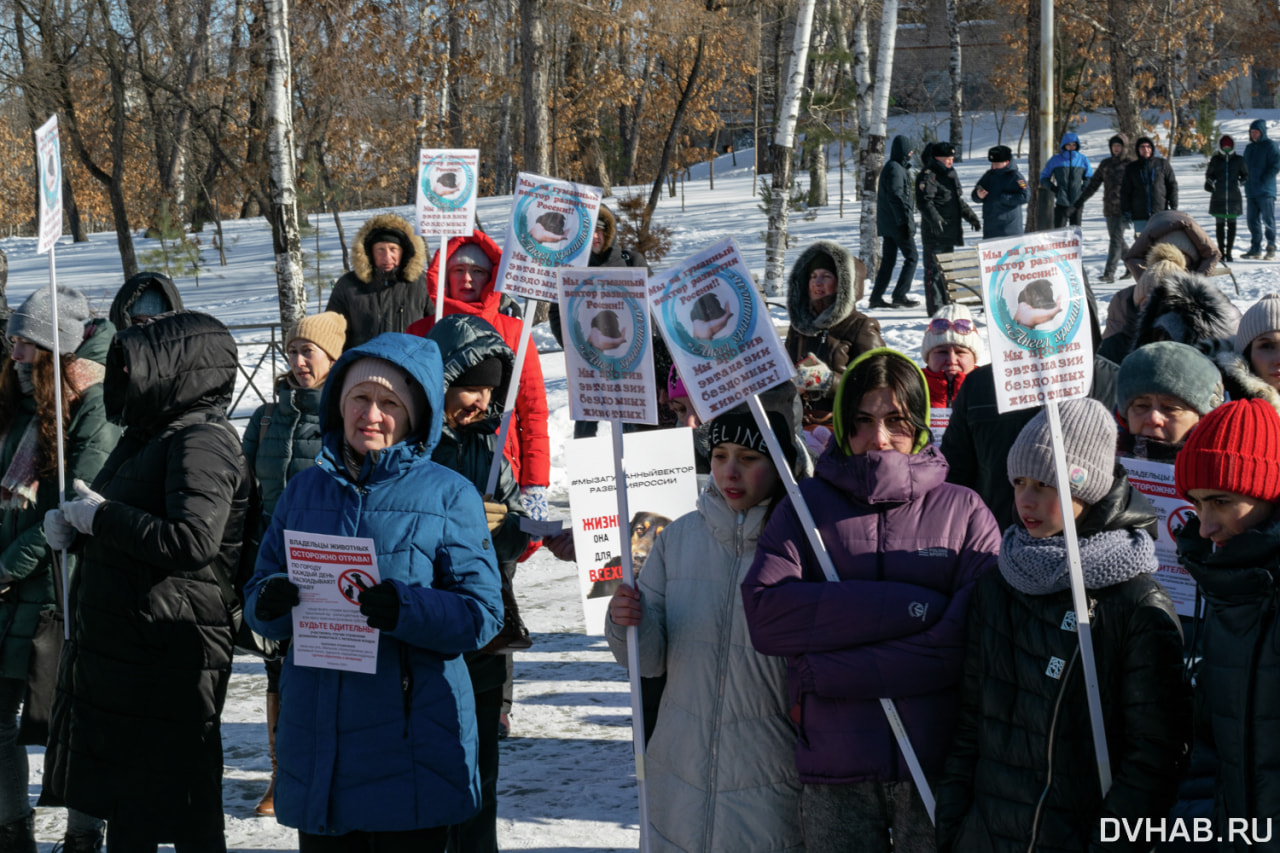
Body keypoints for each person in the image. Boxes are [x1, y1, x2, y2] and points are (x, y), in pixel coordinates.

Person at [244, 332, 503, 850]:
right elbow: (258, 590)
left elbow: (482, 614)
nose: (372, 414)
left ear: (414, 415)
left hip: (408, 742)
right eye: (360, 398)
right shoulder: (305, 489)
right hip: (318, 740)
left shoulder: (448, 494)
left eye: (389, 403)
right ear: (340, 402)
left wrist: (406, 608)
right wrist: (269, 602)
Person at [742, 347, 1000, 853]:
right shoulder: (804, 508)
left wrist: (826, 669)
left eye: (895, 420)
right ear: (841, 423)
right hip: (835, 767)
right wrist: (915, 606)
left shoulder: (963, 510)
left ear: (921, 423)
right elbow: (768, 616)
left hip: (935, 758)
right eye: (861, 420)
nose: (877, 439)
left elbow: (969, 638)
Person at [935, 398, 1190, 852]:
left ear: (1086, 488)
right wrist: (955, 824)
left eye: (1046, 484)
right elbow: (970, 717)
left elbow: (1154, 755)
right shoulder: (999, 581)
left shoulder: (1134, 600)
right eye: (1019, 482)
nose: (1026, 500)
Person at [41, 311, 250, 852]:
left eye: (137, 365)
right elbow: (128, 519)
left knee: (184, 808)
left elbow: (191, 541)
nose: (126, 376)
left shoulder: (202, 440)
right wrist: (76, 529)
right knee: (132, 804)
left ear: (178, 369)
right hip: (133, 648)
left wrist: (102, 520)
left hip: (174, 647)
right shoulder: (153, 433)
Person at [604, 407, 805, 853]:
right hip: (678, 767)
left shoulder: (804, 547)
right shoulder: (677, 539)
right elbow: (648, 660)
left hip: (768, 773)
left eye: (749, 458)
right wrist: (626, 621)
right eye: (719, 455)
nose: (729, 471)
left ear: (780, 463)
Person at [0, 287, 116, 852]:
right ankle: (12, 827)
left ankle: (82, 835)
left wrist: (5, 565)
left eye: (24, 341)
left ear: (53, 348)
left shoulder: (89, 407)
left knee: (75, 724)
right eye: (12, 338)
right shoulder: (13, 404)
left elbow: (70, 503)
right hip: (9, 591)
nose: (13, 350)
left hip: (60, 589)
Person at [425, 314, 531, 853]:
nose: (481, 401)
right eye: (470, 387)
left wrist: (507, 529)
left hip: (483, 641)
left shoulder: (490, 453)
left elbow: (513, 548)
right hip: (423, 640)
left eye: (490, 390)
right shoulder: (410, 450)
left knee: (478, 778)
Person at [240, 310, 347, 817]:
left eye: (310, 352)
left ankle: (336, 769)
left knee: (329, 674)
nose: (300, 362)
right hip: (272, 564)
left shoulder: (347, 417)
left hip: (328, 566)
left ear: (333, 357)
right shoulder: (266, 417)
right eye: (294, 351)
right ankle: (282, 774)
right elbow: (244, 493)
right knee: (277, 673)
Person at [1173, 398, 1280, 851]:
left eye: (1221, 501)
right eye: (1197, 504)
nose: (1205, 526)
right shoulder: (1225, 587)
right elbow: (1210, 746)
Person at [406, 232, 551, 524]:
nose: (467, 279)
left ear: (492, 277)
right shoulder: (420, 332)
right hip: (433, 473)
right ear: (444, 276)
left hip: (499, 472)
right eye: (458, 270)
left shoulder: (514, 333)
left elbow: (533, 412)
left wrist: (535, 483)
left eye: (478, 271)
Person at [784, 240, 884, 431]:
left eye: (826, 276)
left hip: (842, 425)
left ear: (845, 285)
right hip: (797, 422)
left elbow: (879, 383)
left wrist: (829, 381)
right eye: (813, 276)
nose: (817, 283)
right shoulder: (800, 326)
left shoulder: (861, 326)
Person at [326, 214, 429, 350]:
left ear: (404, 252)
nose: (387, 257)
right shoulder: (348, 285)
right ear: (369, 253)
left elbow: (437, 328)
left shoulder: (422, 284)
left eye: (393, 249)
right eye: (380, 250)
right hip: (363, 366)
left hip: (412, 365)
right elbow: (331, 331)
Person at [1115, 341, 1223, 461]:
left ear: (1202, 418)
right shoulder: (1105, 464)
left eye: (1170, 408)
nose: (1153, 419)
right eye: (1142, 406)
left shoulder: (1217, 469)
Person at [917, 142, 982, 314]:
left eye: (952, 158)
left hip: (950, 231)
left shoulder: (950, 174)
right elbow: (924, 202)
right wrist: (935, 219)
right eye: (947, 158)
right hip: (935, 232)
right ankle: (935, 309)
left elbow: (956, 201)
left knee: (946, 271)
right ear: (937, 157)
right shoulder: (928, 175)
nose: (950, 161)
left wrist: (971, 217)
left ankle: (946, 305)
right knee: (934, 273)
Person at [1074, 134, 1135, 282]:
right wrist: (1081, 200)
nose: (1116, 149)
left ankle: (1109, 274)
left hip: (1125, 208)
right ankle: (1131, 266)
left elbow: (1138, 187)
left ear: (1124, 147)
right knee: (1118, 240)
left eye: (1119, 146)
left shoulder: (1131, 164)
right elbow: (1094, 183)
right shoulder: (1106, 164)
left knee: (1115, 240)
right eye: (1114, 146)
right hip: (1109, 208)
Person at [869, 134, 920, 309]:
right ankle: (899, 294)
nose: (911, 153)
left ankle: (876, 297)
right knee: (912, 257)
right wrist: (904, 223)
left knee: (889, 262)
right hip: (897, 224)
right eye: (909, 150)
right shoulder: (895, 169)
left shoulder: (895, 167)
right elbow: (896, 197)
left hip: (890, 224)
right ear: (903, 151)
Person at [921, 303, 983, 409]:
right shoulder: (908, 390)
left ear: (974, 358)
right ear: (928, 358)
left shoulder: (992, 391)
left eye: (960, 352)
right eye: (942, 352)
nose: (951, 360)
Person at [1120, 137, 1178, 233]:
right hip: (1139, 216)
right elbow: (1125, 191)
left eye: (1148, 146)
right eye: (1142, 147)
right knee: (1142, 246)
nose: (1145, 149)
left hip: (1160, 214)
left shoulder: (1162, 164)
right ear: (1138, 149)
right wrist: (1125, 211)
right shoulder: (1131, 168)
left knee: (1161, 245)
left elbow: (1172, 186)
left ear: (1152, 149)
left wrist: (1173, 206)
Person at [1205, 134, 1248, 262]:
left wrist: (1239, 183)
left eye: (1229, 145)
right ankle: (1221, 252)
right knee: (1219, 226)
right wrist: (1212, 182)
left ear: (1233, 145)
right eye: (1224, 145)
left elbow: (1246, 175)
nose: (1227, 147)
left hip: (1234, 198)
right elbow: (1209, 175)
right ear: (1221, 146)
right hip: (1219, 197)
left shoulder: (1239, 160)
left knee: (1232, 226)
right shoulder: (1216, 159)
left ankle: (1229, 252)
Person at [970, 145, 1028, 239]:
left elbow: (1025, 196)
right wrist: (978, 195)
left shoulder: (1016, 177)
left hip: (1009, 228)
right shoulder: (989, 175)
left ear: (1007, 162)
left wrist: (1003, 198)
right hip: (990, 227)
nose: (994, 166)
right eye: (993, 164)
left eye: (997, 164)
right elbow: (975, 193)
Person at [1242, 119, 1280, 260]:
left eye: (1256, 132)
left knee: (1268, 220)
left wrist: (1265, 179)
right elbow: (1244, 166)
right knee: (1252, 221)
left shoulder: (1270, 146)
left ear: (1262, 132)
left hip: (1265, 191)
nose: (1254, 134)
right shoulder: (1249, 148)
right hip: (1251, 190)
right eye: (1252, 132)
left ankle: (1271, 247)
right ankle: (1255, 249)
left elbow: (1276, 165)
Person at [1038, 132, 1092, 227]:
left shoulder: (1083, 159)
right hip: (1061, 202)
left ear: (1077, 145)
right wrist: (1054, 189)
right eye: (1069, 145)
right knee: (1059, 233)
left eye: (1074, 145)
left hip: (1077, 203)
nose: (1071, 147)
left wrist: (1083, 190)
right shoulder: (1055, 159)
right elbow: (1043, 177)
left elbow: (1089, 177)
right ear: (1064, 145)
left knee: (1075, 234)